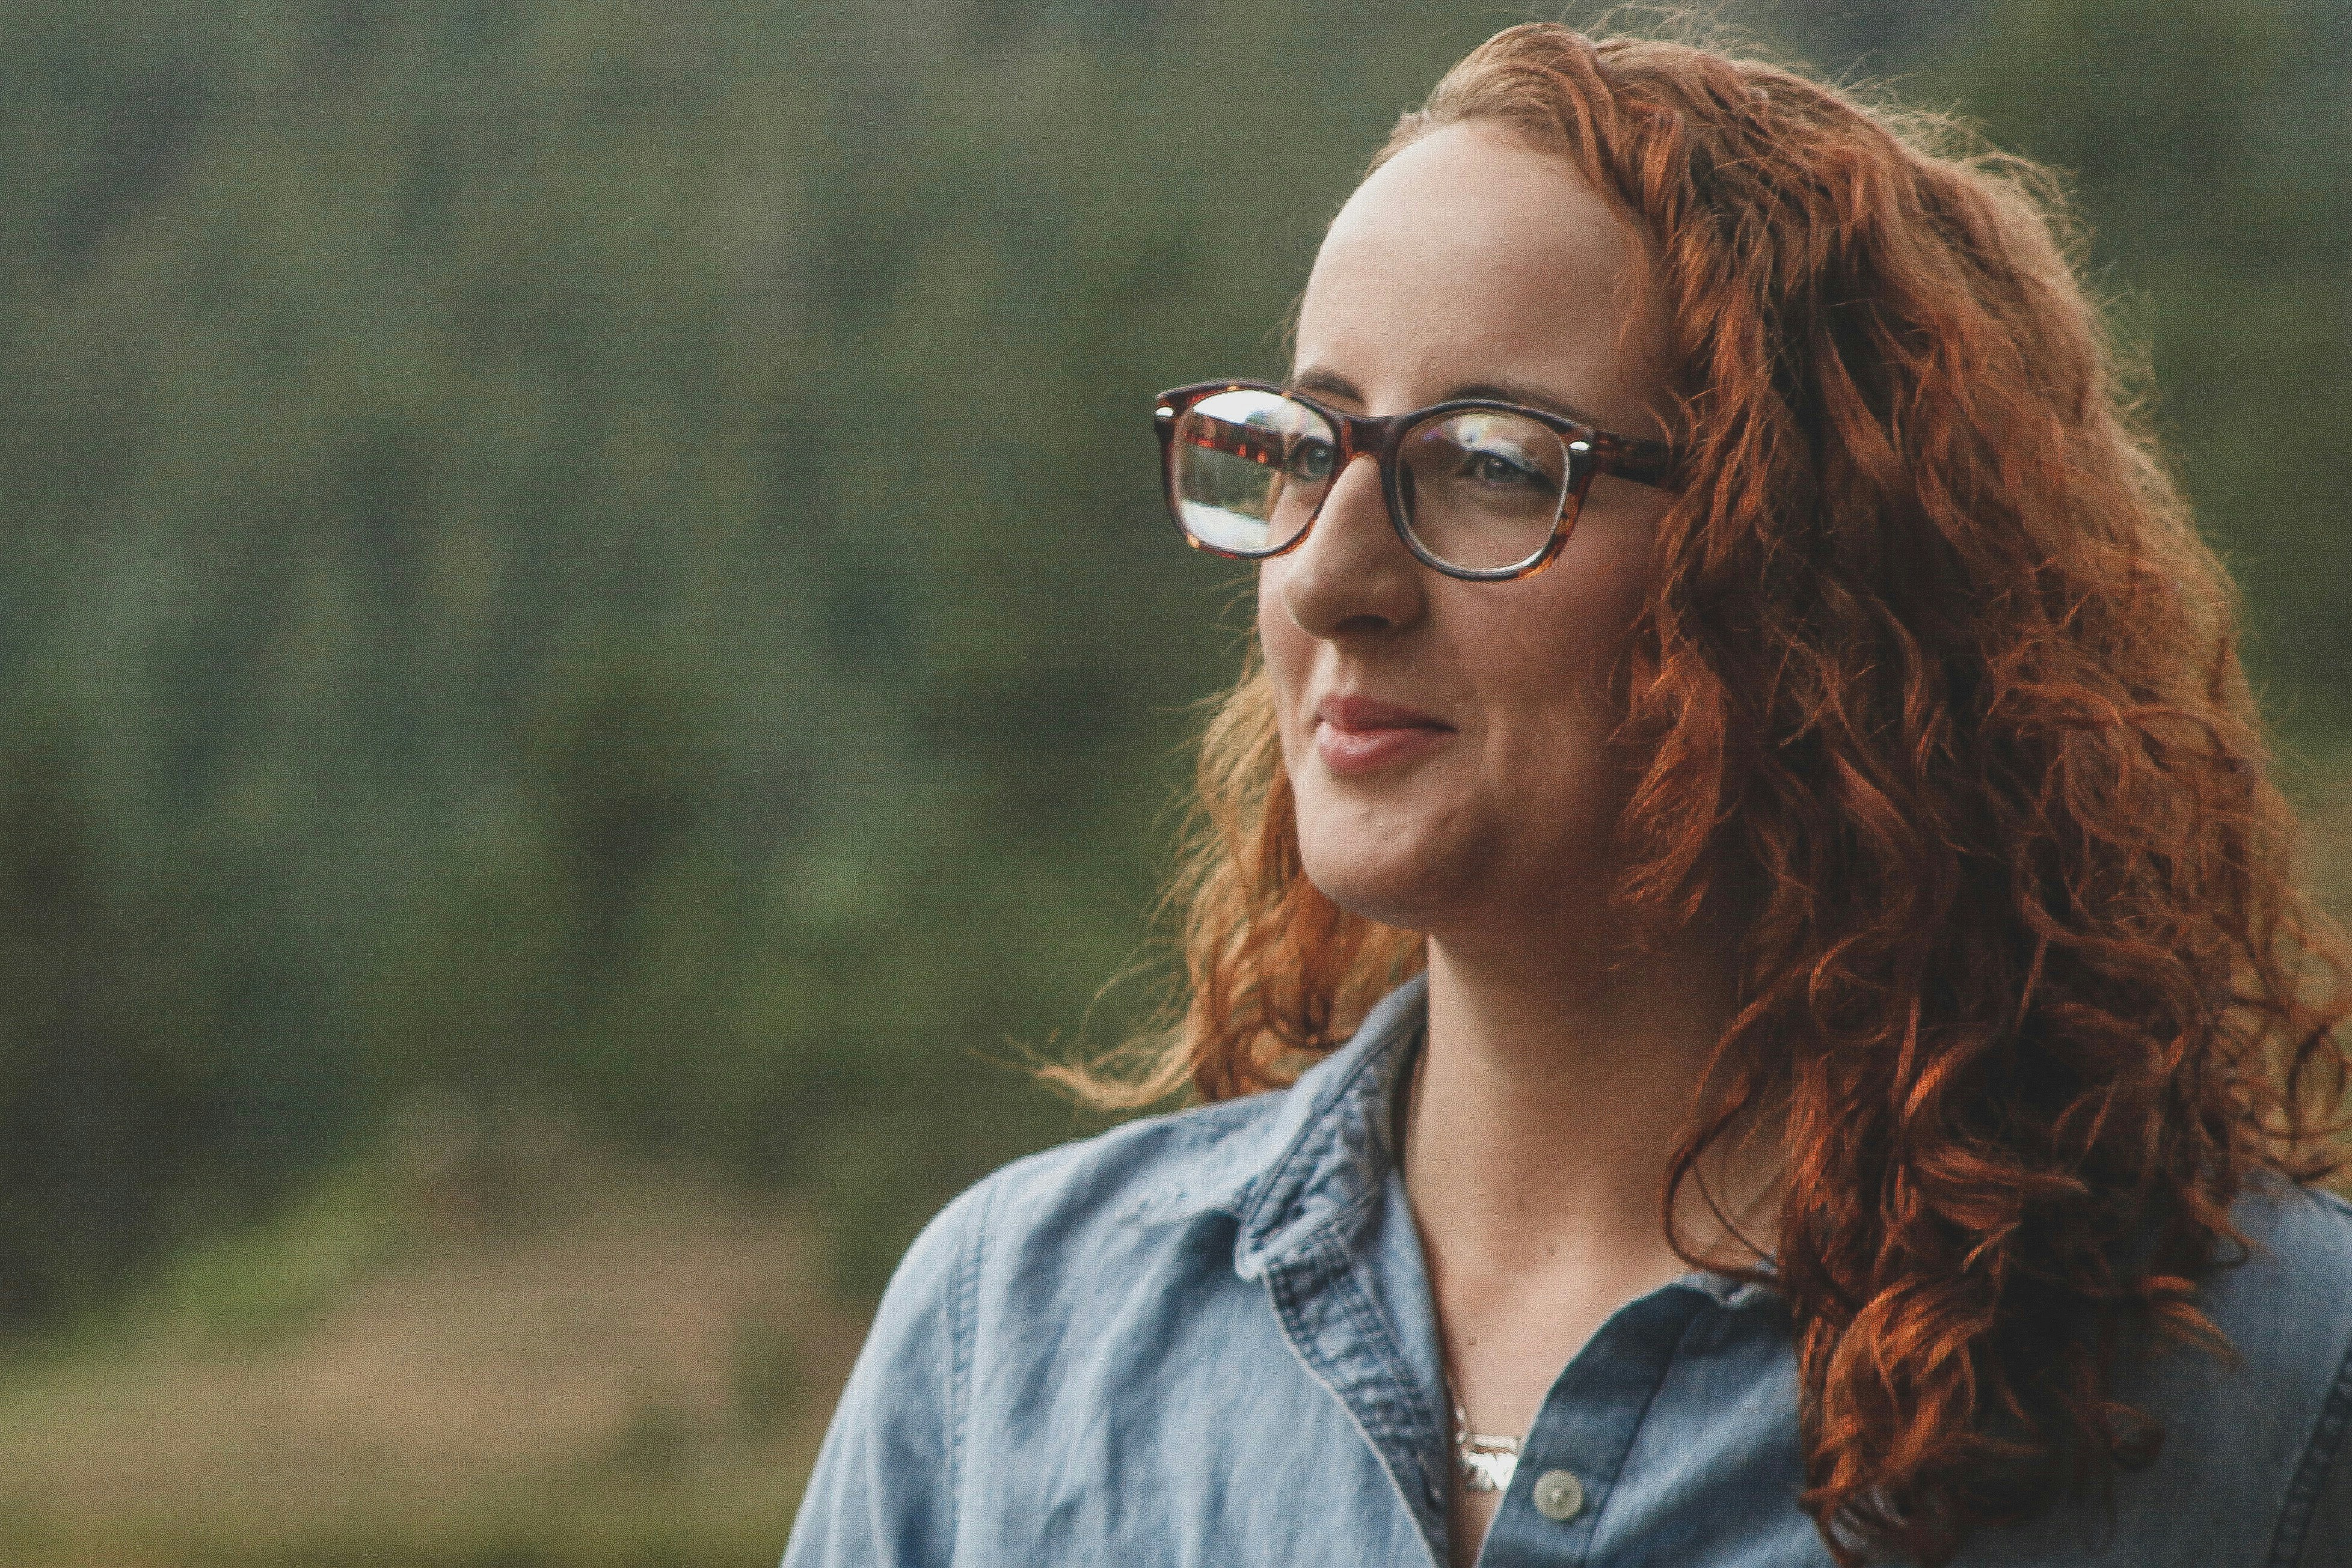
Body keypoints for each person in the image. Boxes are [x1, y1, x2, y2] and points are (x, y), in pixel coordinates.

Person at [781, 22, 2352, 1568]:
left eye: (1492, 463)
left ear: (1812, 572)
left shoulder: (2260, 1398)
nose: (1328, 576)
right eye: (1304, 444)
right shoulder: (1014, 1349)